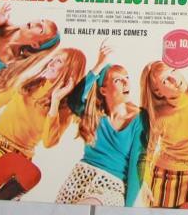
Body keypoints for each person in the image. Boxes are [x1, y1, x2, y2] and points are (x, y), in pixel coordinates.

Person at [0, 49, 86, 181]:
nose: (51, 63)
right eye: (53, 58)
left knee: (28, 178)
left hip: (21, 160)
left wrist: (55, 101)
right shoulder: (28, 83)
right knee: (18, 178)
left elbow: (48, 143)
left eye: (59, 61)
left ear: (71, 73)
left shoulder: (64, 109)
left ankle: (5, 190)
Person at [56, 43, 146, 207]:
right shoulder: (95, 116)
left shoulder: (140, 120)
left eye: (127, 78)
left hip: (111, 186)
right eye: (118, 80)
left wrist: (127, 208)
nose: (126, 83)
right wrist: (99, 65)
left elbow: (137, 166)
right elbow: (74, 101)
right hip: (79, 177)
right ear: (103, 90)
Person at [139, 61, 188, 208]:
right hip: (164, 175)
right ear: (158, 92)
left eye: (173, 70)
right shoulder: (157, 115)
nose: (174, 79)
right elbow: (146, 152)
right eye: (165, 80)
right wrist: (144, 182)